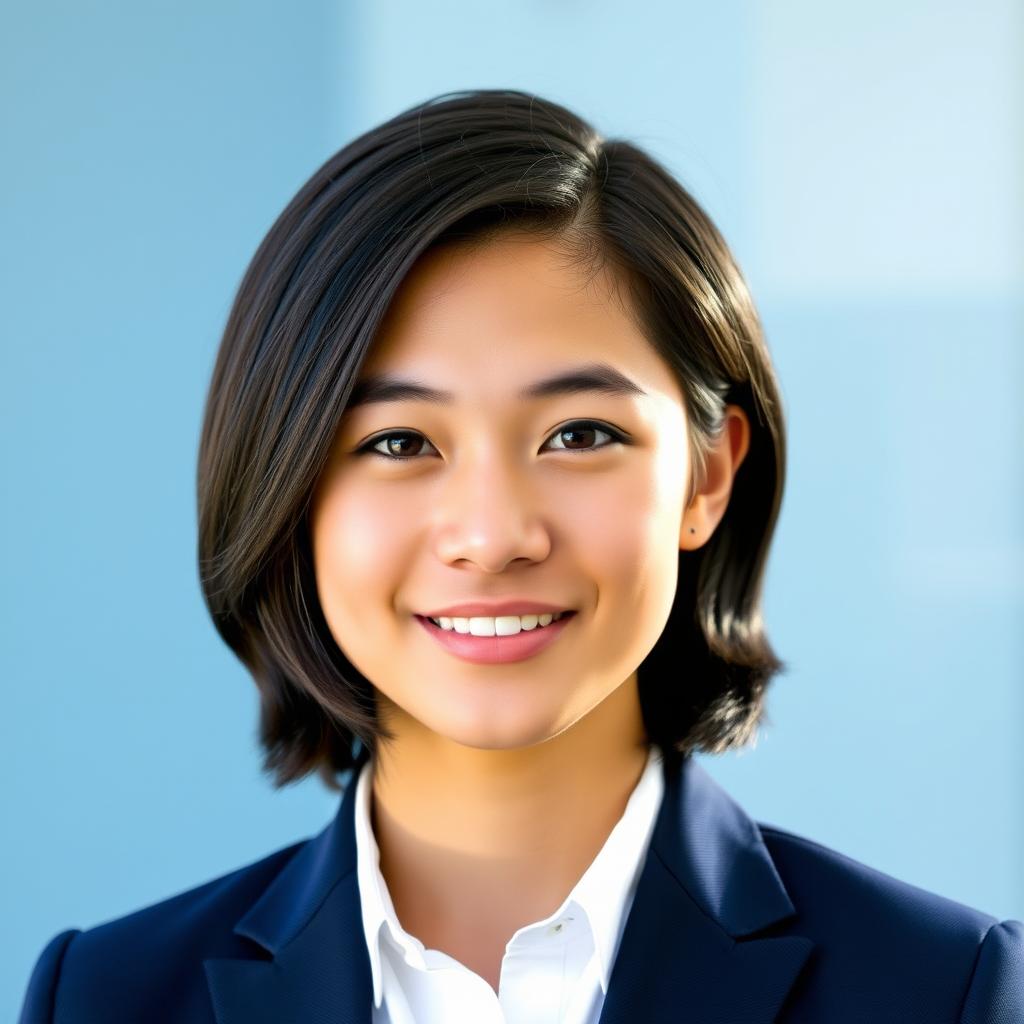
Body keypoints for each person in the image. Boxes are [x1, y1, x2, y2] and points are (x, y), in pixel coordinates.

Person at [18, 88, 1022, 1024]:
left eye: (579, 435)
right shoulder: (105, 997)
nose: (494, 536)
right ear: (291, 493)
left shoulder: (940, 987)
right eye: (398, 443)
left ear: (706, 476)